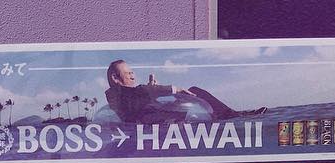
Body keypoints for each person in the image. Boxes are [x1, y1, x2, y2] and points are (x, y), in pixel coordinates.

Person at [105, 58, 266, 124]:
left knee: (194, 90)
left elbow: (138, 97)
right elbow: (138, 97)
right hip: (159, 120)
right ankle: (232, 116)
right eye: (128, 73)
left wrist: (151, 91)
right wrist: (173, 89)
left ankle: (231, 114)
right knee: (193, 91)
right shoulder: (117, 94)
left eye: (132, 72)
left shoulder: (128, 95)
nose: (133, 75)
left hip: (157, 116)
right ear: (115, 78)